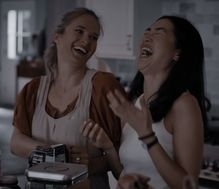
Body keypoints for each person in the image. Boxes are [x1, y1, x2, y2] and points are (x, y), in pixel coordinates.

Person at [80, 15, 206, 189]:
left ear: (177, 53)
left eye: (159, 32)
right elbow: (123, 173)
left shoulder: (183, 104)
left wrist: (147, 137)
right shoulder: (134, 104)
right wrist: (108, 146)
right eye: (147, 31)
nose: (147, 36)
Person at [10, 7, 126, 189]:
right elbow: (16, 143)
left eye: (93, 37)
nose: (86, 41)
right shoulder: (32, 89)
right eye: (79, 31)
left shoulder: (103, 86)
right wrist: (59, 155)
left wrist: (90, 163)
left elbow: (124, 157)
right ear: (57, 37)